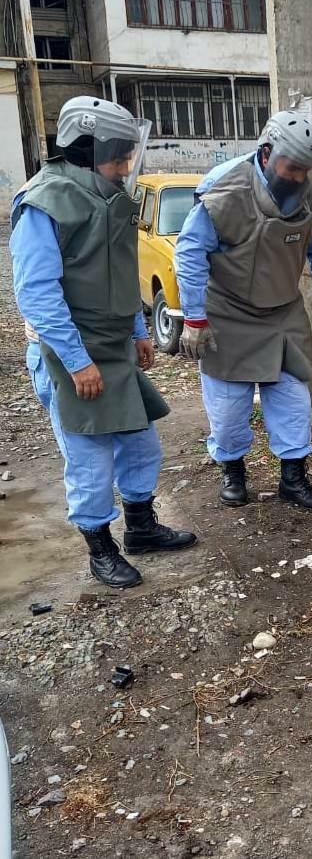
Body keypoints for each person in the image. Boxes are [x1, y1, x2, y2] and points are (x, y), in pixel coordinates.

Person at [10, 96, 197, 590]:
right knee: (91, 458)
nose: (126, 166)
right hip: (68, 353)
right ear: (86, 148)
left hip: (115, 348)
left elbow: (121, 270)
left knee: (141, 444)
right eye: (118, 155)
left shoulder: (110, 195)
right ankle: (100, 549)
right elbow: (37, 293)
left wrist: (138, 330)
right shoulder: (45, 201)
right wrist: (77, 362)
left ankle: (141, 528)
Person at [175, 109, 312, 513]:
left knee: (293, 401)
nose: (300, 178)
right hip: (227, 313)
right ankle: (233, 472)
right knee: (229, 410)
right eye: (293, 168)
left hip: (283, 313)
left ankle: (293, 478)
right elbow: (190, 254)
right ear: (267, 154)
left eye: (308, 170)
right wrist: (194, 318)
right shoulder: (225, 190)